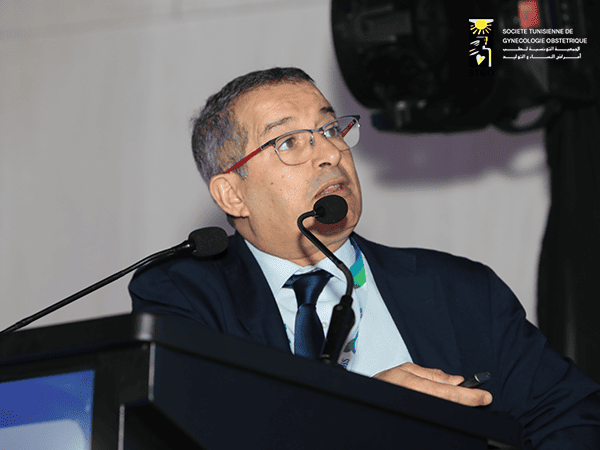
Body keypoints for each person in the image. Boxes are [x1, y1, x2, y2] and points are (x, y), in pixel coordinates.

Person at [129, 67, 600, 448]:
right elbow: (200, 435)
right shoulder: (186, 297)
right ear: (232, 194)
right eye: (288, 142)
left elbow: (570, 414)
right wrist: (369, 412)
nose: (330, 154)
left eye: (330, 129)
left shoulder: (459, 290)